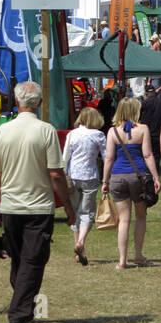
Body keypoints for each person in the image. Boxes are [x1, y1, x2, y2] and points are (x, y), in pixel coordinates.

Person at [0, 81, 76, 323]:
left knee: (21, 261)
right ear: (40, 103)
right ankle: (19, 315)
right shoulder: (46, 131)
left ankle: (24, 307)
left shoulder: (2, 131)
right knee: (33, 262)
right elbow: (56, 174)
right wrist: (68, 207)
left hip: (11, 207)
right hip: (38, 208)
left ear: (16, 102)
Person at [101, 97, 160, 270]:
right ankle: (138, 255)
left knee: (124, 220)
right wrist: (156, 177)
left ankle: (122, 260)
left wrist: (105, 181)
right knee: (140, 216)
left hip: (118, 177)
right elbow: (148, 155)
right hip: (138, 176)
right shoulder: (143, 129)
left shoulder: (112, 131)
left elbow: (109, 158)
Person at [63, 107, 106, 266]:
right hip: (90, 176)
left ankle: (79, 246)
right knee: (87, 212)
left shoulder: (72, 134)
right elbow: (106, 156)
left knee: (75, 212)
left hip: (73, 175)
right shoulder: (98, 135)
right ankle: (81, 242)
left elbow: (65, 157)